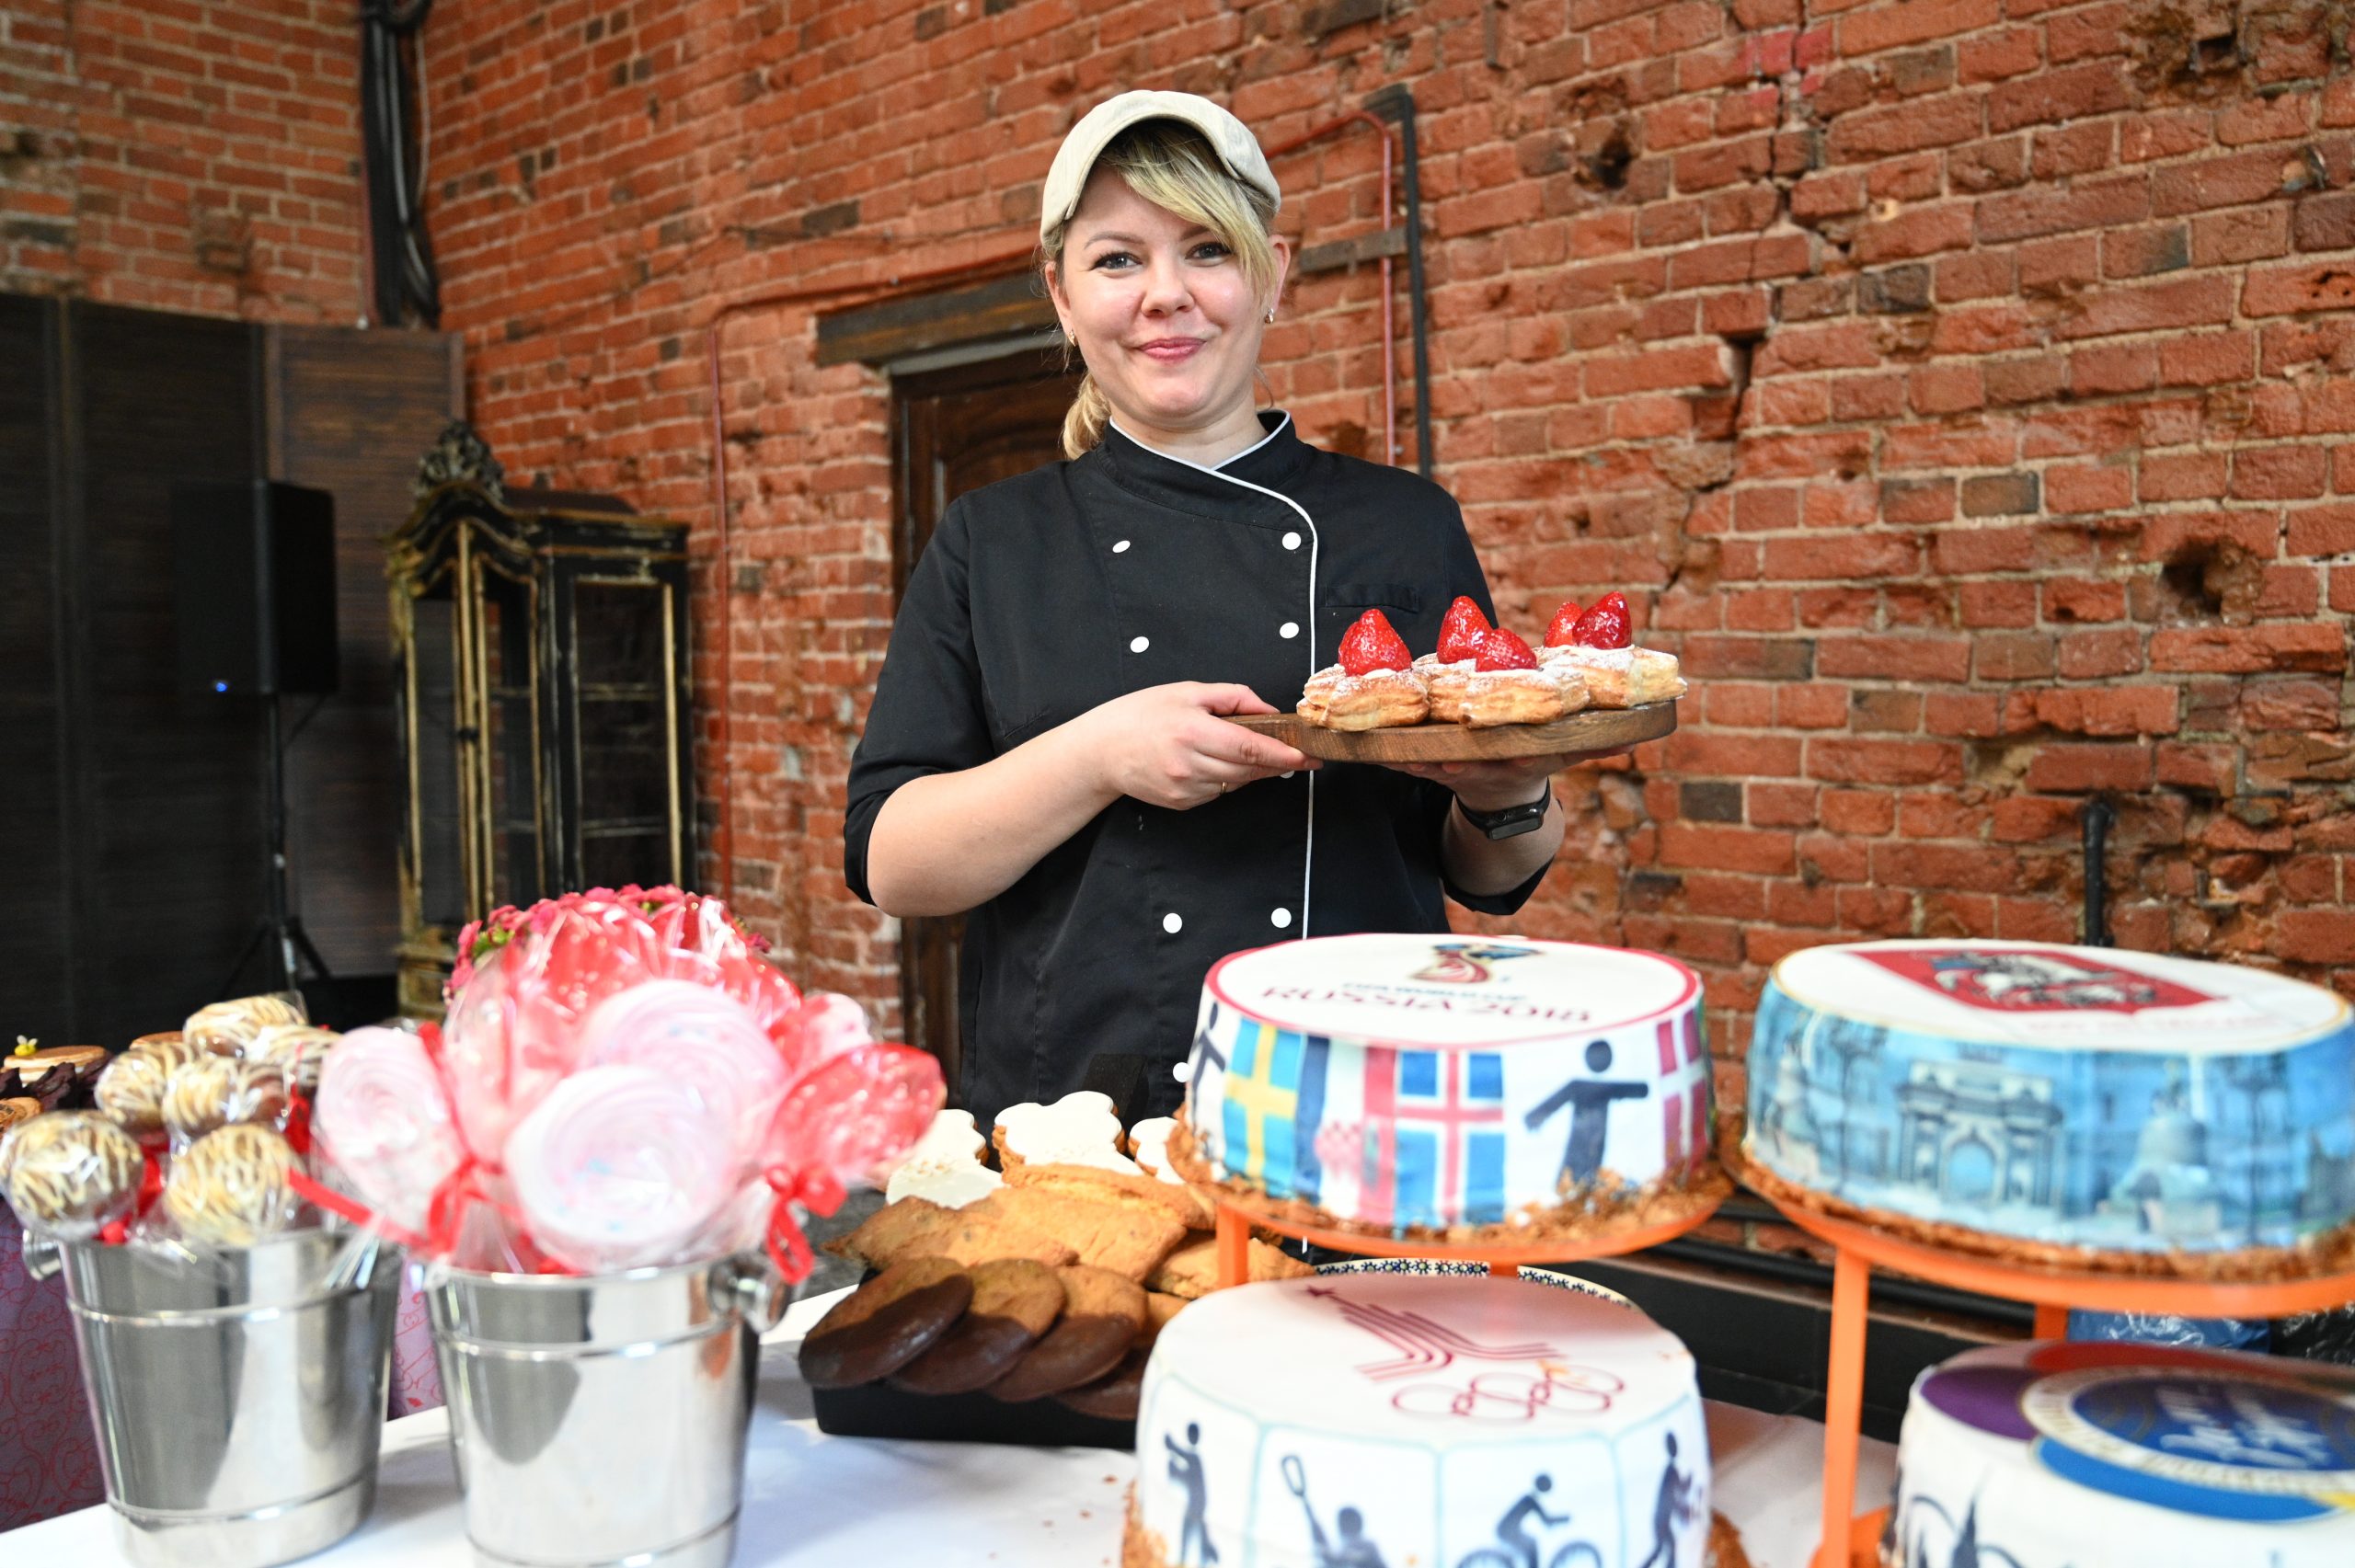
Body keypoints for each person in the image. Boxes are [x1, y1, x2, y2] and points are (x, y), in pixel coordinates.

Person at [845, 90, 1606, 1128]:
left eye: (1207, 249)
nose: (1165, 295)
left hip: (1369, 1090)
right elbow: (894, 863)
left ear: (1272, 276)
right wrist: (1097, 755)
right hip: (1086, 1110)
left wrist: (1511, 790)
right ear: (1062, 298)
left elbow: (1485, 872)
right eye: (1117, 259)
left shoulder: (1404, 524)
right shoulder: (991, 540)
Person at [1493, 1473, 1568, 1568]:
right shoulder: (1530, 1500)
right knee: (1531, 1545)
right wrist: (1563, 1519)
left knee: (1530, 1543)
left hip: (1507, 1530)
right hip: (1506, 1531)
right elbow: (1546, 1520)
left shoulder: (1528, 1498)